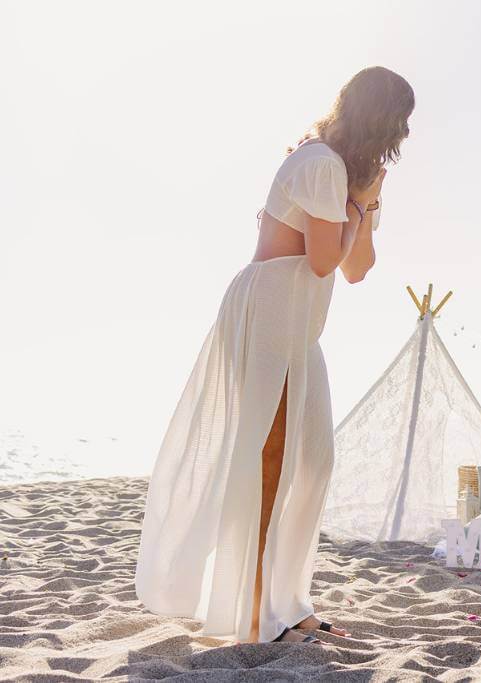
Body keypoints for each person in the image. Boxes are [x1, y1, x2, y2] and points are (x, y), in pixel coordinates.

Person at [135, 67, 415, 645]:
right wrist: (359, 206)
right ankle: (257, 613)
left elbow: (357, 269)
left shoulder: (346, 178)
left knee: (312, 463)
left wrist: (367, 205)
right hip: (270, 315)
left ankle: (287, 600)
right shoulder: (321, 164)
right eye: (400, 122)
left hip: (297, 326)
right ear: (381, 120)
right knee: (271, 467)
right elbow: (319, 262)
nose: (404, 134)